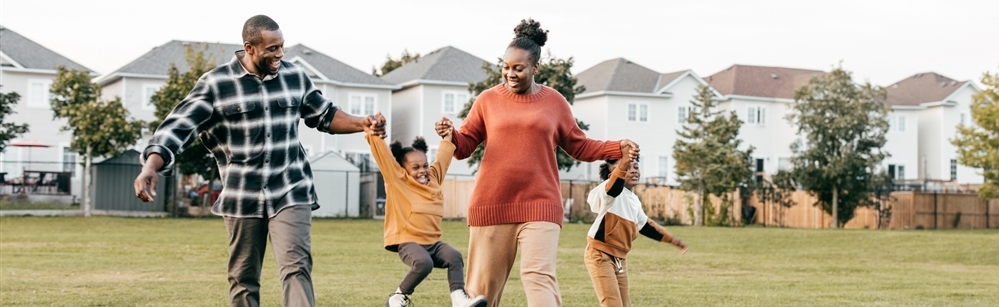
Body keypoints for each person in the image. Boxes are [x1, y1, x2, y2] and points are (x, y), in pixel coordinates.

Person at [133, 14, 385, 307]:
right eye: (272, 49)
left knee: (296, 267)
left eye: (282, 47)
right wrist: (151, 165)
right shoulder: (216, 84)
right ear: (249, 48)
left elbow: (325, 115)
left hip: (291, 187)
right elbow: (178, 127)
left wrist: (362, 123)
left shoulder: (295, 77)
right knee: (243, 277)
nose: (280, 54)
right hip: (243, 193)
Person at [434, 19, 639, 307]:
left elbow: (578, 144)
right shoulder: (487, 100)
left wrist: (616, 147)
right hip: (492, 204)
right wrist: (451, 135)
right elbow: (465, 144)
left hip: (541, 204)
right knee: (482, 291)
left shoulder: (554, 102)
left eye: (518, 68)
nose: (510, 73)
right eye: (506, 67)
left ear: (535, 68)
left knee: (539, 277)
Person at [363, 113, 487, 307]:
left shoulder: (433, 179)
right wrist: (374, 133)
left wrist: (448, 136)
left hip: (432, 243)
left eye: (425, 165)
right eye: (415, 167)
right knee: (424, 263)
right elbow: (383, 157)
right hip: (407, 241)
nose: (422, 171)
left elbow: (444, 157)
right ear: (403, 170)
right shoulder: (397, 181)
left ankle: (459, 298)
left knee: (454, 256)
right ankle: (397, 298)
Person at [584, 157, 688, 307]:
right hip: (600, 254)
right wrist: (625, 156)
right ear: (611, 175)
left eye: (636, 167)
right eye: (626, 167)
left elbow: (647, 225)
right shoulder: (609, 190)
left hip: (620, 259)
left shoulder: (634, 200)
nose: (633, 170)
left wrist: (673, 240)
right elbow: (614, 185)